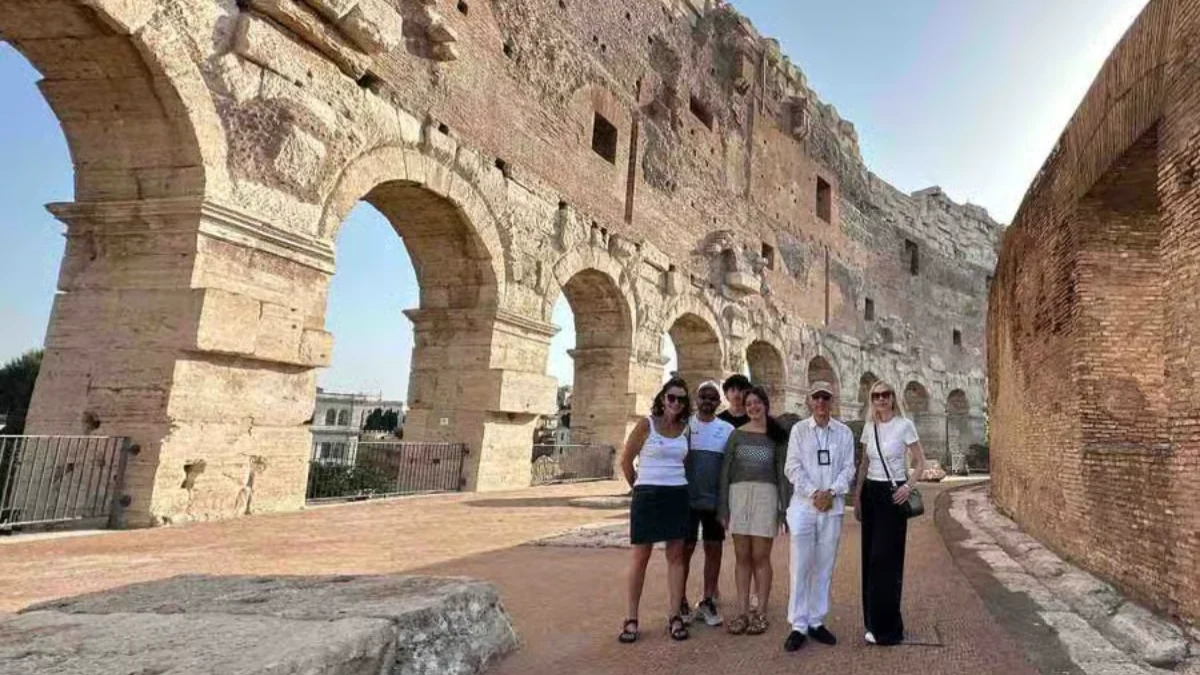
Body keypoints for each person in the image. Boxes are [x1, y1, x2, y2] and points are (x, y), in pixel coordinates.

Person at [618, 377, 693, 643]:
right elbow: (626, 460)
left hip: (677, 493)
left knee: (676, 556)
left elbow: (688, 462)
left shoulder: (686, 429)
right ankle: (631, 617)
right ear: (663, 398)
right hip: (648, 494)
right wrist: (637, 486)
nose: (676, 402)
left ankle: (674, 615)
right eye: (671, 397)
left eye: (681, 399)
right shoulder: (646, 424)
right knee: (641, 557)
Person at [782, 381, 856, 652]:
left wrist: (832, 492)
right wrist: (815, 493)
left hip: (832, 507)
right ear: (809, 401)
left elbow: (848, 468)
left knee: (824, 566)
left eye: (826, 397)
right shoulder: (799, 431)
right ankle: (798, 624)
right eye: (817, 397)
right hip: (804, 506)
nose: (822, 402)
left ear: (832, 401)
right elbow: (793, 467)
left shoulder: (844, 433)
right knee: (801, 565)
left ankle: (816, 620)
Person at [854, 380, 927, 646]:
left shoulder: (904, 425)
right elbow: (864, 464)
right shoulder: (869, 427)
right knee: (869, 561)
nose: (881, 399)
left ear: (894, 398)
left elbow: (921, 461)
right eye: (876, 395)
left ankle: (889, 629)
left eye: (886, 395)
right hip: (871, 494)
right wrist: (857, 497)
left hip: (893, 496)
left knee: (886, 561)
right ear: (871, 400)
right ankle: (873, 622)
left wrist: (908, 487)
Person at [717, 385, 789, 636]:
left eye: (757, 402)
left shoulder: (776, 435)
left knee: (761, 556)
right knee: (742, 556)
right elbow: (726, 471)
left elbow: (782, 474)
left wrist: (783, 508)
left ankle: (761, 612)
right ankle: (743, 612)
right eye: (749, 404)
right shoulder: (736, 434)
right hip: (738, 495)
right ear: (744, 408)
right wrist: (723, 506)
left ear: (765, 404)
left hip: (765, 495)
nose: (753, 407)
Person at [680, 380, 735, 627]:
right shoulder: (685, 426)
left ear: (718, 401)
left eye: (713, 398)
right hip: (687, 498)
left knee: (714, 549)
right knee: (685, 550)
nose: (707, 401)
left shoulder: (726, 429)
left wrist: (727, 503)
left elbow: (730, 467)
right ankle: (679, 597)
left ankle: (708, 597)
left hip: (714, 500)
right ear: (696, 398)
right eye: (703, 396)